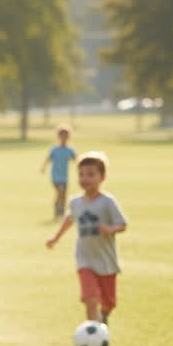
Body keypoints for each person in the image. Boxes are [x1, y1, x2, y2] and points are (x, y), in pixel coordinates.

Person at [46, 151, 127, 324]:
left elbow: (122, 225)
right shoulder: (76, 202)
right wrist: (55, 238)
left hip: (106, 260)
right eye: (81, 174)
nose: (85, 179)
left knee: (109, 302)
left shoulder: (107, 202)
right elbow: (69, 219)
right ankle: (93, 330)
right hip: (85, 259)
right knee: (90, 298)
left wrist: (110, 229)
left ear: (102, 177)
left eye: (91, 175)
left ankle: (103, 316)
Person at [41, 125, 77, 218]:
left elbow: (76, 160)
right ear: (58, 136)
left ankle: (61, 211)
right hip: (55, 176)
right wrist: (44, 168)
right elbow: (48, 159)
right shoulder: (55, 149)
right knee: (60, 192)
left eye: (66, 136)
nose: (64, 138)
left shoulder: (70, 150)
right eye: (62, 135)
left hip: (64, 176)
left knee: (64, 194)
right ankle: (57, 208)